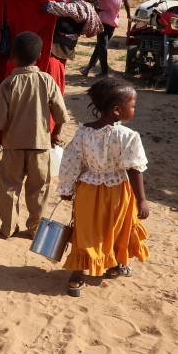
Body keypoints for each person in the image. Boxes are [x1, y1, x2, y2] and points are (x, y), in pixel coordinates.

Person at [58, 77, 150, 297]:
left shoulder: (83, 132)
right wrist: (142, 199)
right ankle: (116, 264)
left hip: (87, 190)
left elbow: (70, 161)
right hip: (119, 191)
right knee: (118, 228)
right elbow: (134, 169)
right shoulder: (128, 137)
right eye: (133, 104)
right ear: (117, 110)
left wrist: (66, 189)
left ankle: (77, 275)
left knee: (85, 231)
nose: (134, 108)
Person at [0, 32, 68, 238]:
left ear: (13, 56)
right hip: (40, 145)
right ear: (40, 55)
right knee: (39, 189)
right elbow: (60, 114)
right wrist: (55, 135)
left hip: (13, 146)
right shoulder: (47, 80)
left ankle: (8, 227)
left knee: (9, 186)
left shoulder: (8, 84)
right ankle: (35, 229)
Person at [82, 0, 130, 77]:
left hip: (102, 19)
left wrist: (95, 8)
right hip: (114, 20)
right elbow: (126, 1)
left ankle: (104, 71)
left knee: (102, 45)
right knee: (102, 44)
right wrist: (129, 14)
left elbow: (94, 0)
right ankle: (89, 67)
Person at [45, 0, 104, 67]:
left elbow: (64, 8)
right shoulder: (86, 5)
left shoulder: (81, 7)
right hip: (64, 43)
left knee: (54, 67)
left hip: (61, 45)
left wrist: (46, 5)